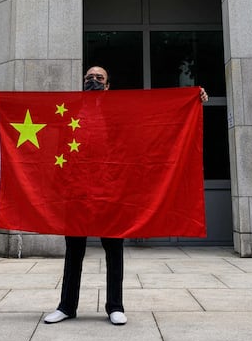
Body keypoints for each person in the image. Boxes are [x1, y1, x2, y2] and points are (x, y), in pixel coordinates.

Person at [43, 65, 208, 326]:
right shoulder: (71, 110)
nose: (93, 81)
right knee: (74, 252)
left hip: (111, 189)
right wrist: (0, 104)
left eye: (99, 78)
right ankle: (66, 306)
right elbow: (41, 117)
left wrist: (193, 99)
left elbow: (154, 118)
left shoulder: (120, 111)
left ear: (108, 86)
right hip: (77, 191)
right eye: (89, 78)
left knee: (114, 250)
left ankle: (115, 306)